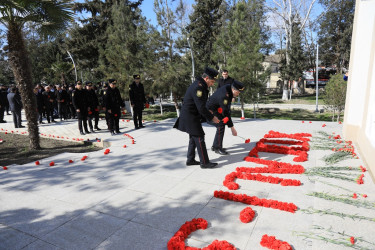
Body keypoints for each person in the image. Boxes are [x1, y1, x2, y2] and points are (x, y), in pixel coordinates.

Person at [173, 67, 220, 169]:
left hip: (191, 115)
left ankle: (190, 160)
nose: (212, 84)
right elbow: (201, 107)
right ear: (206, 78)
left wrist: (208, 111)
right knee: (199, 137)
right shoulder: (198, 87)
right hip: (190, 116)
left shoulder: (200, 85)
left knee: (193, 138)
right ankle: (205, 162)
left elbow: (200, 104)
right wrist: (212, 117)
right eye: (212, 81)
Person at [207, 80, 244, 155]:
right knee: (221, 125)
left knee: (220, 126)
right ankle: (218, 148)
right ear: (233, 89)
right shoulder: (225, 95)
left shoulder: (228, 88)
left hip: (216, 109)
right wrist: (232, 128)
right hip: (210, 111)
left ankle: (215, 146)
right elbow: (225, 112)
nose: (238, 94)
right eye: (238, 92)